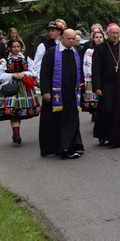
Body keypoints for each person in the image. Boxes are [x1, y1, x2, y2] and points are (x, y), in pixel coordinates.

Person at [39, 29, 85, 158]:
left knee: (71, 120)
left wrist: (81, 83)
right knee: (56, 121)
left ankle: (69, 147)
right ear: (62, 38)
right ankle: (58, 147)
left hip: (72, 93)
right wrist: (46, 91)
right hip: (56, 94)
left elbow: (80, 71)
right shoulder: (52, 52)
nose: (72, 41)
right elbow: (45, 73)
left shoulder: (76, 52)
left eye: (73, 39)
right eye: (69, 39)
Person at [92, 23, 120, 147]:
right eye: (113, 33)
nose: (116, 35)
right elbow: (96, 69)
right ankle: (103, 134)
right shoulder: (100, 48)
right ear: (107, 34)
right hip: (107, 85)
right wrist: (97, 86)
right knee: (108, 110)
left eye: (117, 33)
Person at [0, 38, 41, 145]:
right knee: (12, 109)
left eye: (18, 46)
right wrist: (12, 75)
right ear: (9, 48)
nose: (16, 49)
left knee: (18, 110)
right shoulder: (4, 60)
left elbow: (34, 72)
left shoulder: (26, 59)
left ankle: (16, 133)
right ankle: (16, 133)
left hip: (24, 86)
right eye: (14, 47)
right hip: (10, 87)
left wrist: (24, 74)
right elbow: (0, 74)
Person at [82, 28, 105, 118]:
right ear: (93, 39)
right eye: (96, 37)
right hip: (92, 77)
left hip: (103, 77)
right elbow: (86, 65)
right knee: (94, 101)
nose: (99, 39)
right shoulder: (89, 51)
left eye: (100, 37)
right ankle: (95, 115)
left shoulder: (106, 49)